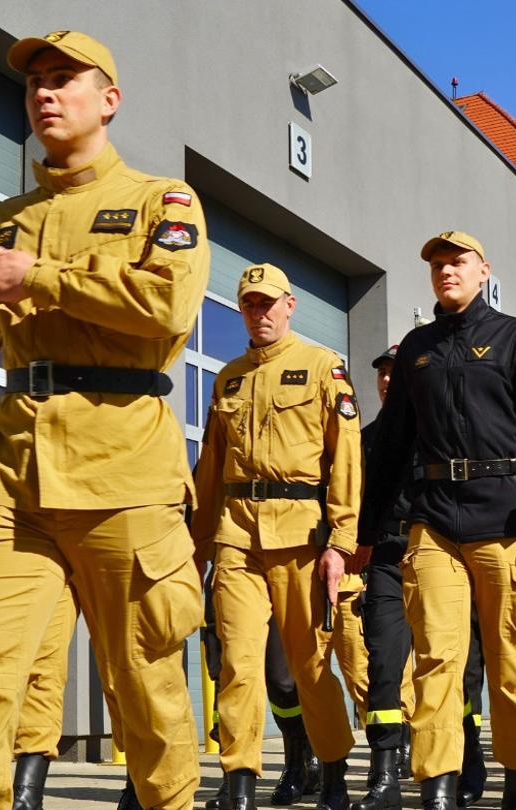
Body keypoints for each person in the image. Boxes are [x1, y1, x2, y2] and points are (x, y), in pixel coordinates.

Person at [0, 29, 208, 810]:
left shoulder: (161, 201)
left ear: (109, 100)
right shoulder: (3, 223)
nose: (45, 95)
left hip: (124, 470)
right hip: (13, 478)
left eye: (65, 79)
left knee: (146, 684)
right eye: (36, 85)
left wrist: (47, 277)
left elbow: (169, 301)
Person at [360, 230, 516, 810]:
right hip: (434, 526)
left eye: (458, 263)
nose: (447, 272)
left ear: (483, 271)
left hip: (504, 523)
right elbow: (392, 446)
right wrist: (368, 535)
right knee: (436, 662)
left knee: (509, 663)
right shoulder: (417, 348)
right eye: (438, 265)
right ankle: (439, 790)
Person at [192, 263, 362, 810]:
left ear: (290, 305)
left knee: (310, 666)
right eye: (249, 304)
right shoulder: (229, 378)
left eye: (268, 302)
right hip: (237, 537)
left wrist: (340, 543)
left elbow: (346, 462)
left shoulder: (322, 368)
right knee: (238, 665)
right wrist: (194, 552)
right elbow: (211, 469)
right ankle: (239, 779)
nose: (259, 312)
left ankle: (333, 772)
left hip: (301, 539)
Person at [352, 343, 417, 810]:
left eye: (397, 372)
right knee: (383, 668)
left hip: (433, 557)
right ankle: (384, 773)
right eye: (383, 374)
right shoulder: (365, 439)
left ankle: (452, 764)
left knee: (448, 669)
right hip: (385, 562)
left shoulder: (435, 433)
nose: (388, 380)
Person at [13, 588, 77, 810]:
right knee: (42, 669)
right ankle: (26, 797)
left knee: (130, 669)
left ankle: (139, 794)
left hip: (118, 558)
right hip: (54, 560)